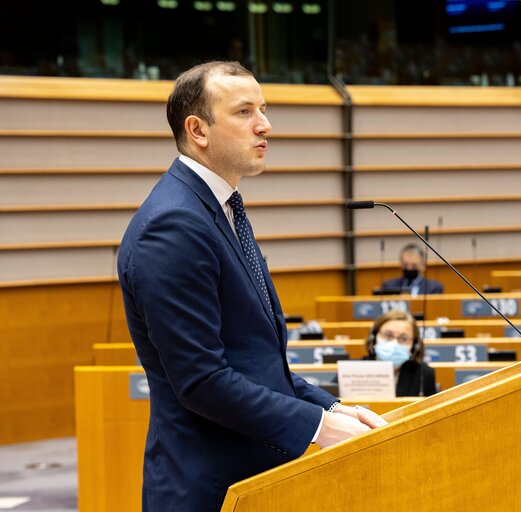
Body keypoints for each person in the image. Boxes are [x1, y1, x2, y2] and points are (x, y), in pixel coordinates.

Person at [117, 61, 386, 512]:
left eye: (263, 108)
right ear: (198, 130)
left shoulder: (217, 209)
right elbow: (202, 380)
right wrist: (320, 426)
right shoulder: (174, 224)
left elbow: (253, 359)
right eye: (244, 112)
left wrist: (332, 408)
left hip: (251, 482)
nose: (265, 125)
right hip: (208, 489)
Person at [364, 310, 438, 397]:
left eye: (403, 338)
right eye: (388, 335)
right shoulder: (353, 369)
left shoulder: (424, 374)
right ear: (373, 338)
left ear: (415, 345)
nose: (394, 344)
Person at [380, 244, 444, 295]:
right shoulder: (389, 286)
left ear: (423, 265)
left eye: (414, 265)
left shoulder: (434, 288)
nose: (409, 268)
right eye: (406, 265)